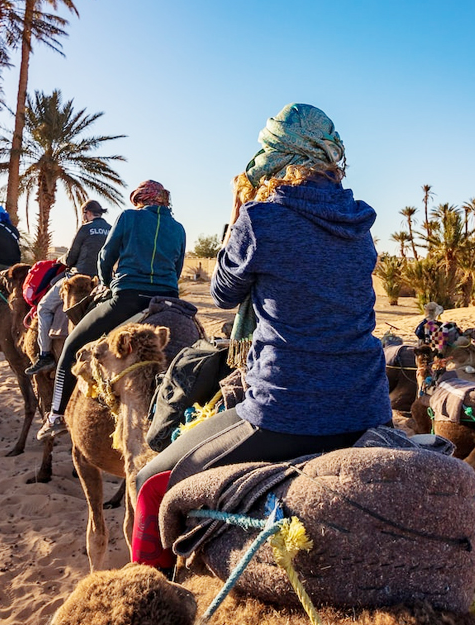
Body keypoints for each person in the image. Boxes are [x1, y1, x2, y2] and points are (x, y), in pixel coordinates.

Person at [129, 103, 391, 571]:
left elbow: (224, 294)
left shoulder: (261, 218)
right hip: (367, 406)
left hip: (286, 409)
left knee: (151, 483)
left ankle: (154, 596)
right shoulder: (360, 223)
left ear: (275, 159)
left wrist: (237, 218)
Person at [43, 180, 186, 434]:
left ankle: (55, 416)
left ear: (140, 200)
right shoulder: (178, 228)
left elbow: (105, 257)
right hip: (169, 300)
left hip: (128, 297)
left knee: (71, 346)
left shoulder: (129, 217)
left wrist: (110, 285)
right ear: (164, 200)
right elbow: (177, 269)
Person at [24, 260, 73, 375]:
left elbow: (71, 257)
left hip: (76, 275)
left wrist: (60, 260)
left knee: (43, 308)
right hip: (99, 278)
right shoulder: (104, 240)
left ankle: (45, 354)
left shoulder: (80, 239)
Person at [64, 200, 111, 277]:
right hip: (104, 276)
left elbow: (70, 259)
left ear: (88, 212)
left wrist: (61, 259)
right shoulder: (111, 229)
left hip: (81, 275)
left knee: (53, 283)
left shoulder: (85, 228)